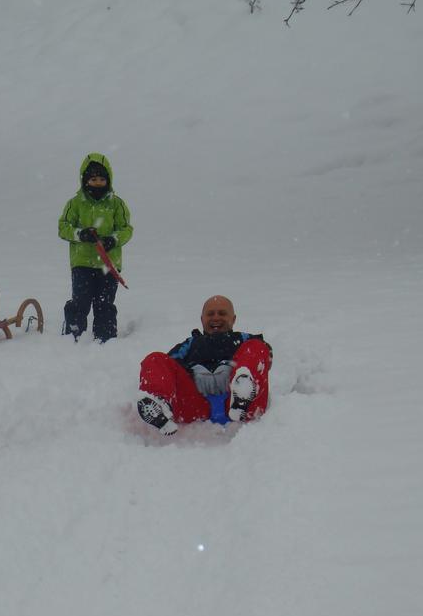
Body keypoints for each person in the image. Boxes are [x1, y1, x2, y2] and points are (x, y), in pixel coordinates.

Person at [137, 295, 272, 435]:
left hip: (240, 403)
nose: (216, 317)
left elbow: (263, 356)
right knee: (155, 359)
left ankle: (243, 392)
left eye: (222, 313)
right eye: (210, 314)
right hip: (195, 404)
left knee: (257, 347)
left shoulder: (244, 340)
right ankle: (159, 405)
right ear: (202, 319)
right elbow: (167, 365)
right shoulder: (191, 343)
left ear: (233, 319)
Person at [57, 152, 133, 342]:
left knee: (104, 303)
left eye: (101, 179)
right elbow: (63, 227)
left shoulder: (116, 204)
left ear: (108, 180)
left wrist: (112, 240)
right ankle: (73, 335)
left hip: (108, 264)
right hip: (82, 263)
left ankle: (105, 337)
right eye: (93, 179)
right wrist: (80, 234)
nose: (97, 183)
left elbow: (126, 229)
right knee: (80, 301)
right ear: (85, 180)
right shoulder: (75, 204)